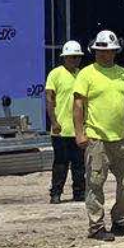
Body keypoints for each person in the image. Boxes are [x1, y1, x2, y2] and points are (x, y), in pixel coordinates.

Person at [69, 30, 124, 243]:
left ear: (115, 51)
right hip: (96, 139)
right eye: (101, 50)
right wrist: (80, 133)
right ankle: (96, 226)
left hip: (120, 139)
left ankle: (120, 221)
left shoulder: (122, 74)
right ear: (95, 51)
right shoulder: (86, 74)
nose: (106, 54)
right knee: (95, 183)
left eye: (110, 51)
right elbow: (78, 105)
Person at [44, 41, 85, 204]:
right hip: (61, 129)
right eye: (73, 57)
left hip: (78, 129)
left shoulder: (82, 75)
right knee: (60, 164)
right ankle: (56, 193)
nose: (75, 60)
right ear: (65, 57)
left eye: (78, 57)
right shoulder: (55, 74)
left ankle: (79, 193)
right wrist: (53, 122)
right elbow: (49, 100)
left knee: (79, 164)